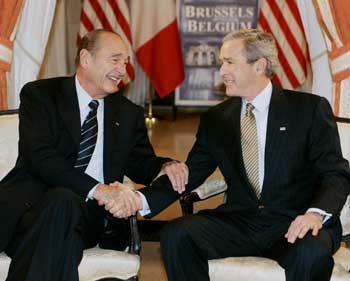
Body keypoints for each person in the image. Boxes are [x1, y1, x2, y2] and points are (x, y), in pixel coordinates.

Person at [116, 29, 350, 281]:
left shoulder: (308, 110)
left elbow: (335, 174)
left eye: (229, 62)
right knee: (177, 235)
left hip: (295, 219)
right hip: (240, 221)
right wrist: (140, 200)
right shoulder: (217, 119)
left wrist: (315, 214)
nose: (221, 72)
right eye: (221, 63)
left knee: (311, 252)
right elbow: (191, 173)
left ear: (259, 66)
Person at [0, 29, 188, 281]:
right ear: (86, 58)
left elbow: (140, 162)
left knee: (63, 203)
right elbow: (40, 157)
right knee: (61, 207)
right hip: (29, 212)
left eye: (125, 62)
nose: (123, 70)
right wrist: (98, 189)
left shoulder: (127, 113)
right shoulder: (42, 95)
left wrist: (164, 165)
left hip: (91, 217)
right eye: (115, 59)